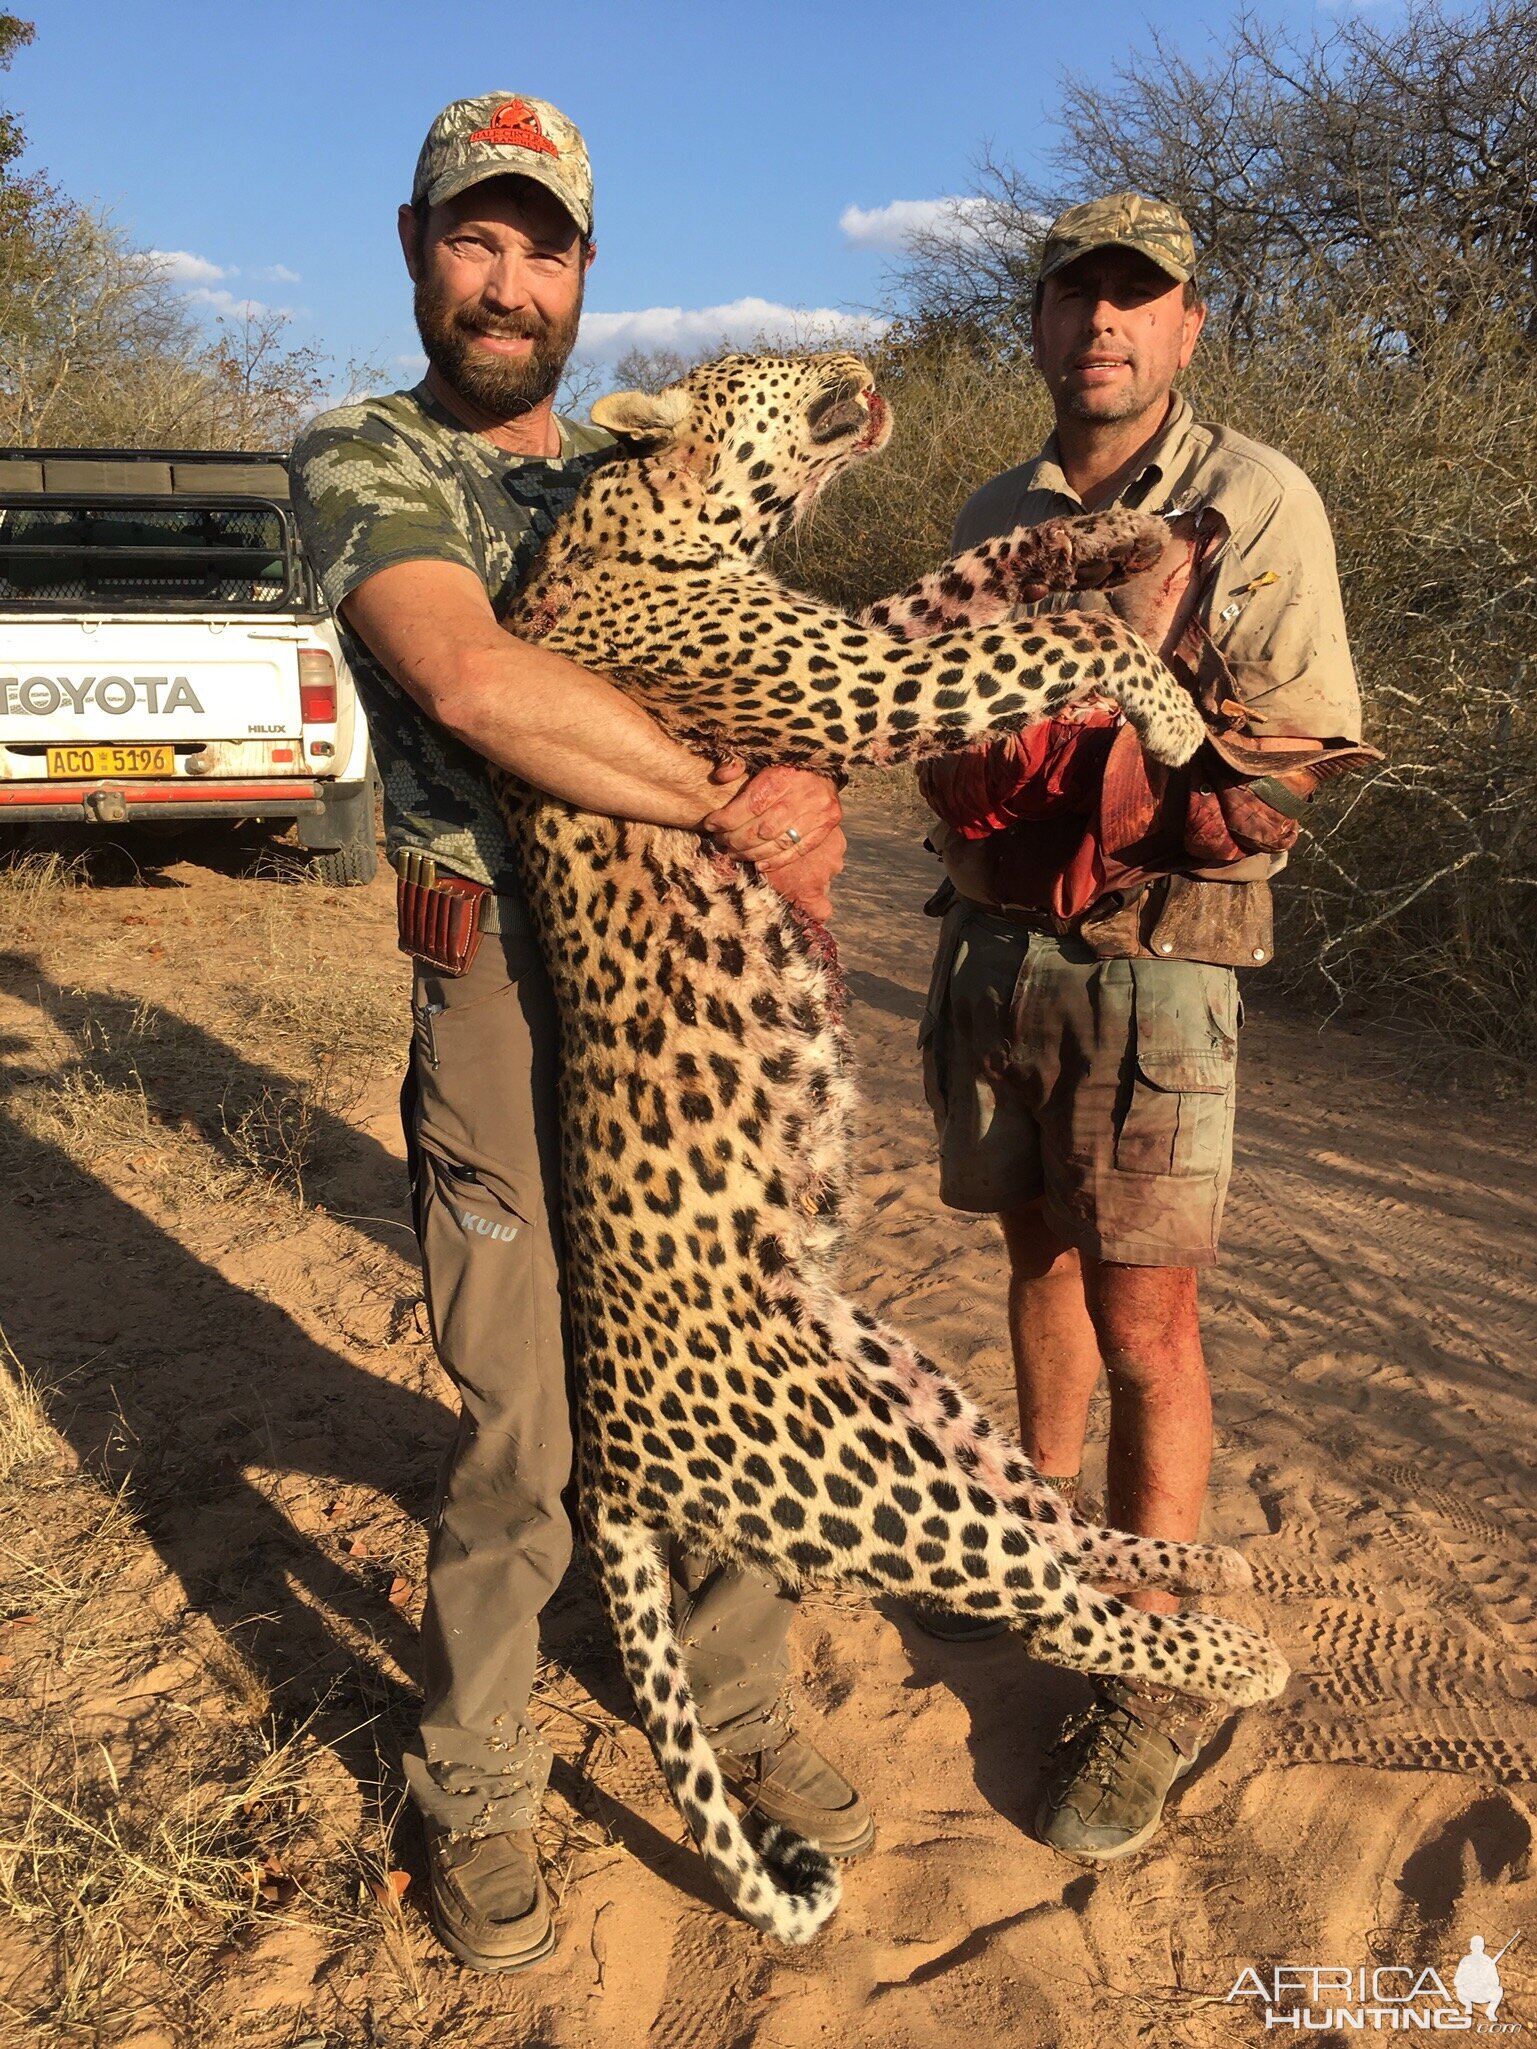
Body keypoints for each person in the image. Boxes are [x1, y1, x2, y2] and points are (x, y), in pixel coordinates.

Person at [289, 91, 869, 1975]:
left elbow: (770, 668)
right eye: (475, 234)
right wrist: (726, 797)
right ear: (414, 247)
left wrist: (802, 781)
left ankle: (733, 1687)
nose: (505, 277)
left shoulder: (658, 469)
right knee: (525, 1409)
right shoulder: (364, 456)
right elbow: (469, 672)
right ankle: (474, 1773)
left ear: (583, 275)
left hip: (692, 989)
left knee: (736, 1344)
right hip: (502, 987)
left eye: (540, 244)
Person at [915, 194, 1367, 1860]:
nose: (1101, 324)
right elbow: (931, 715)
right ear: (1033, 327)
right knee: (1028, 1257)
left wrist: (1195, 779)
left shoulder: (1252, 499)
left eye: (1136, 300)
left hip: (1155, 958)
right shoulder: (989, 506)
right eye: (1072, 296)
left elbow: (1311, 744)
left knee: (1146, 1324)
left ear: (1185, 328)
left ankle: (1155, 1665)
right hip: (988, 947)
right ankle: (1034, 1554)